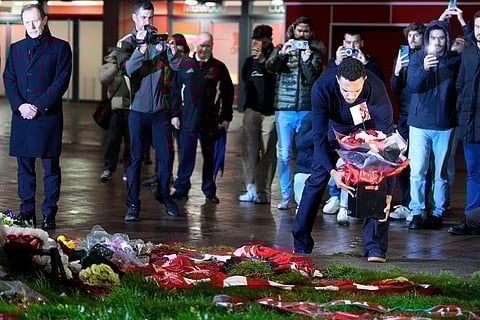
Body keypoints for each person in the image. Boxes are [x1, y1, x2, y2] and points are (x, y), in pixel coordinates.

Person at [292, 58, 394, 262]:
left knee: (378, 183)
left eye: (356, 91)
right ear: (338, 79)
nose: (350, 96)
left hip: (365, 128)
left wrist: (384, 182)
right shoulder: (322, 87)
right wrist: (333, 171)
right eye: (346, 91)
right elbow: (318, 137)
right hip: (332, 129)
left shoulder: (376, 89)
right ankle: (301, 244)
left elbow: (386, 139)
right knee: (316, 181)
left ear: (364, 80)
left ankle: (375, 247)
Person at [3, 4, 72, 230]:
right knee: (24, 168)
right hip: (22, 115)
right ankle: (26, 211)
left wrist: (38, 106)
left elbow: (60, 82)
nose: (31, 26)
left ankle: (49, 212)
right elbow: (9, 79)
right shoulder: (15, 49)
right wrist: (20, 105)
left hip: (47, 116)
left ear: (44, 19)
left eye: (35, 21)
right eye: (26, 22)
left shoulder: (61, 48)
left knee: (51, 167)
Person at [116, 0, 182, 221]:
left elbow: (177, 66)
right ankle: (133, 204)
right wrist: (142, 47)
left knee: (166, 156)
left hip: (160, 110)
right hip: (136, 110)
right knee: (135, 159)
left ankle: (164, 194)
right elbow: (128, 70)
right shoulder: (125, 43)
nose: (147, 21)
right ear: (134, 17)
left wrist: (172, 51)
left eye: (150, 17)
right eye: (143, 17)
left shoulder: (159, 41)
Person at [407, 20, 461, 230]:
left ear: (447, 39)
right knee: (417, 169)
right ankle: (417, 211)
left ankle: (438, 212)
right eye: (433, 38)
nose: (437, 42)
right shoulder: (418, 58)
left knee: (441, 172)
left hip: (446, 124)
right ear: (427, 39)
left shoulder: (455, 60)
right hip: (419, 124)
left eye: (441, 38)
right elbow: (412, 86)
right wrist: (424, 69)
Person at [265, 16, 323, 210]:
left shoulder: (314, 54)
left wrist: (306, 61)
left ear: (310, 33)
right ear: (293, 31)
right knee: (283, 153)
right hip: (285, 109)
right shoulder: (282, 49)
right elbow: (270, 67)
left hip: (306, 110)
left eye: (306, 31)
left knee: (304, 154)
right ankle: (285, 195)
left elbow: (313, 78)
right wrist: (281, 54)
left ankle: (302, 197)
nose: (302, 35)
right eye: (299, 31)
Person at [170, 32, 234, 204]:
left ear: (212, 46)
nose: (204, 49)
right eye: (201, 45)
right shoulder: (185, 66)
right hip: (187, 121)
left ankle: (209, 190)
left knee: (210, 157)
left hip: (210, 122)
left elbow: (228, 94)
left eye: (207, 45)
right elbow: (174, 91)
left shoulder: (219, 68)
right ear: (195, 46)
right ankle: (181, 188)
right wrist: (175, 115)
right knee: (185, 156)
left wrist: (226, 117)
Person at [142, 33, 191, 188]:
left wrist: (175, 113)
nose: (176, 52)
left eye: (180, 49)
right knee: (162, 146)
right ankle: (161, 176)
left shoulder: (184, 66)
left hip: (178, 112)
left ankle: (182, 180)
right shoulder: (166, 63)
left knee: (182, 148)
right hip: (164, 110)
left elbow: (178, 90)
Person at [389, 23, 426, 221]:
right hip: (404, 116)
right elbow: (394, 88)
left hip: (423, 115)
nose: (412, 40)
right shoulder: (403, 57)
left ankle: (420, 205)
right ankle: (406, 202)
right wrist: (396, 71)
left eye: (416, 36)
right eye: (409, 36)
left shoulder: (428, 57)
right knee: (402, 161)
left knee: (421, 163)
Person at [449, 10, 480, 235]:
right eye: (478, 27)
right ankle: (471, 220)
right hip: (470, 124)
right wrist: (461, 110)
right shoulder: (468, 52)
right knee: (472, 173)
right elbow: (460, 85)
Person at [239, 25, 277, 204]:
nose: (259, 43)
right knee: (250, 151)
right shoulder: (248, 61)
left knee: (268, 152)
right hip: (252, 110)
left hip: (270, 112)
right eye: (256, 40)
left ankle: (263, 190)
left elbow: (274, 80)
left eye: (262, 39)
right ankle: (250, 187)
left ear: (269, 39)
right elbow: (246, 82)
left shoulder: (275, 59)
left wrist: (263, 62)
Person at [98, 48, 131, 183]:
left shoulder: (133, 64)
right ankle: (108, 168)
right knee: (112, 141)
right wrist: (117, 66)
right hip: (116, 110)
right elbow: (103, 79)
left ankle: (128, 169)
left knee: (131, 142)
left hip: (132, 109)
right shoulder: (109, 66)